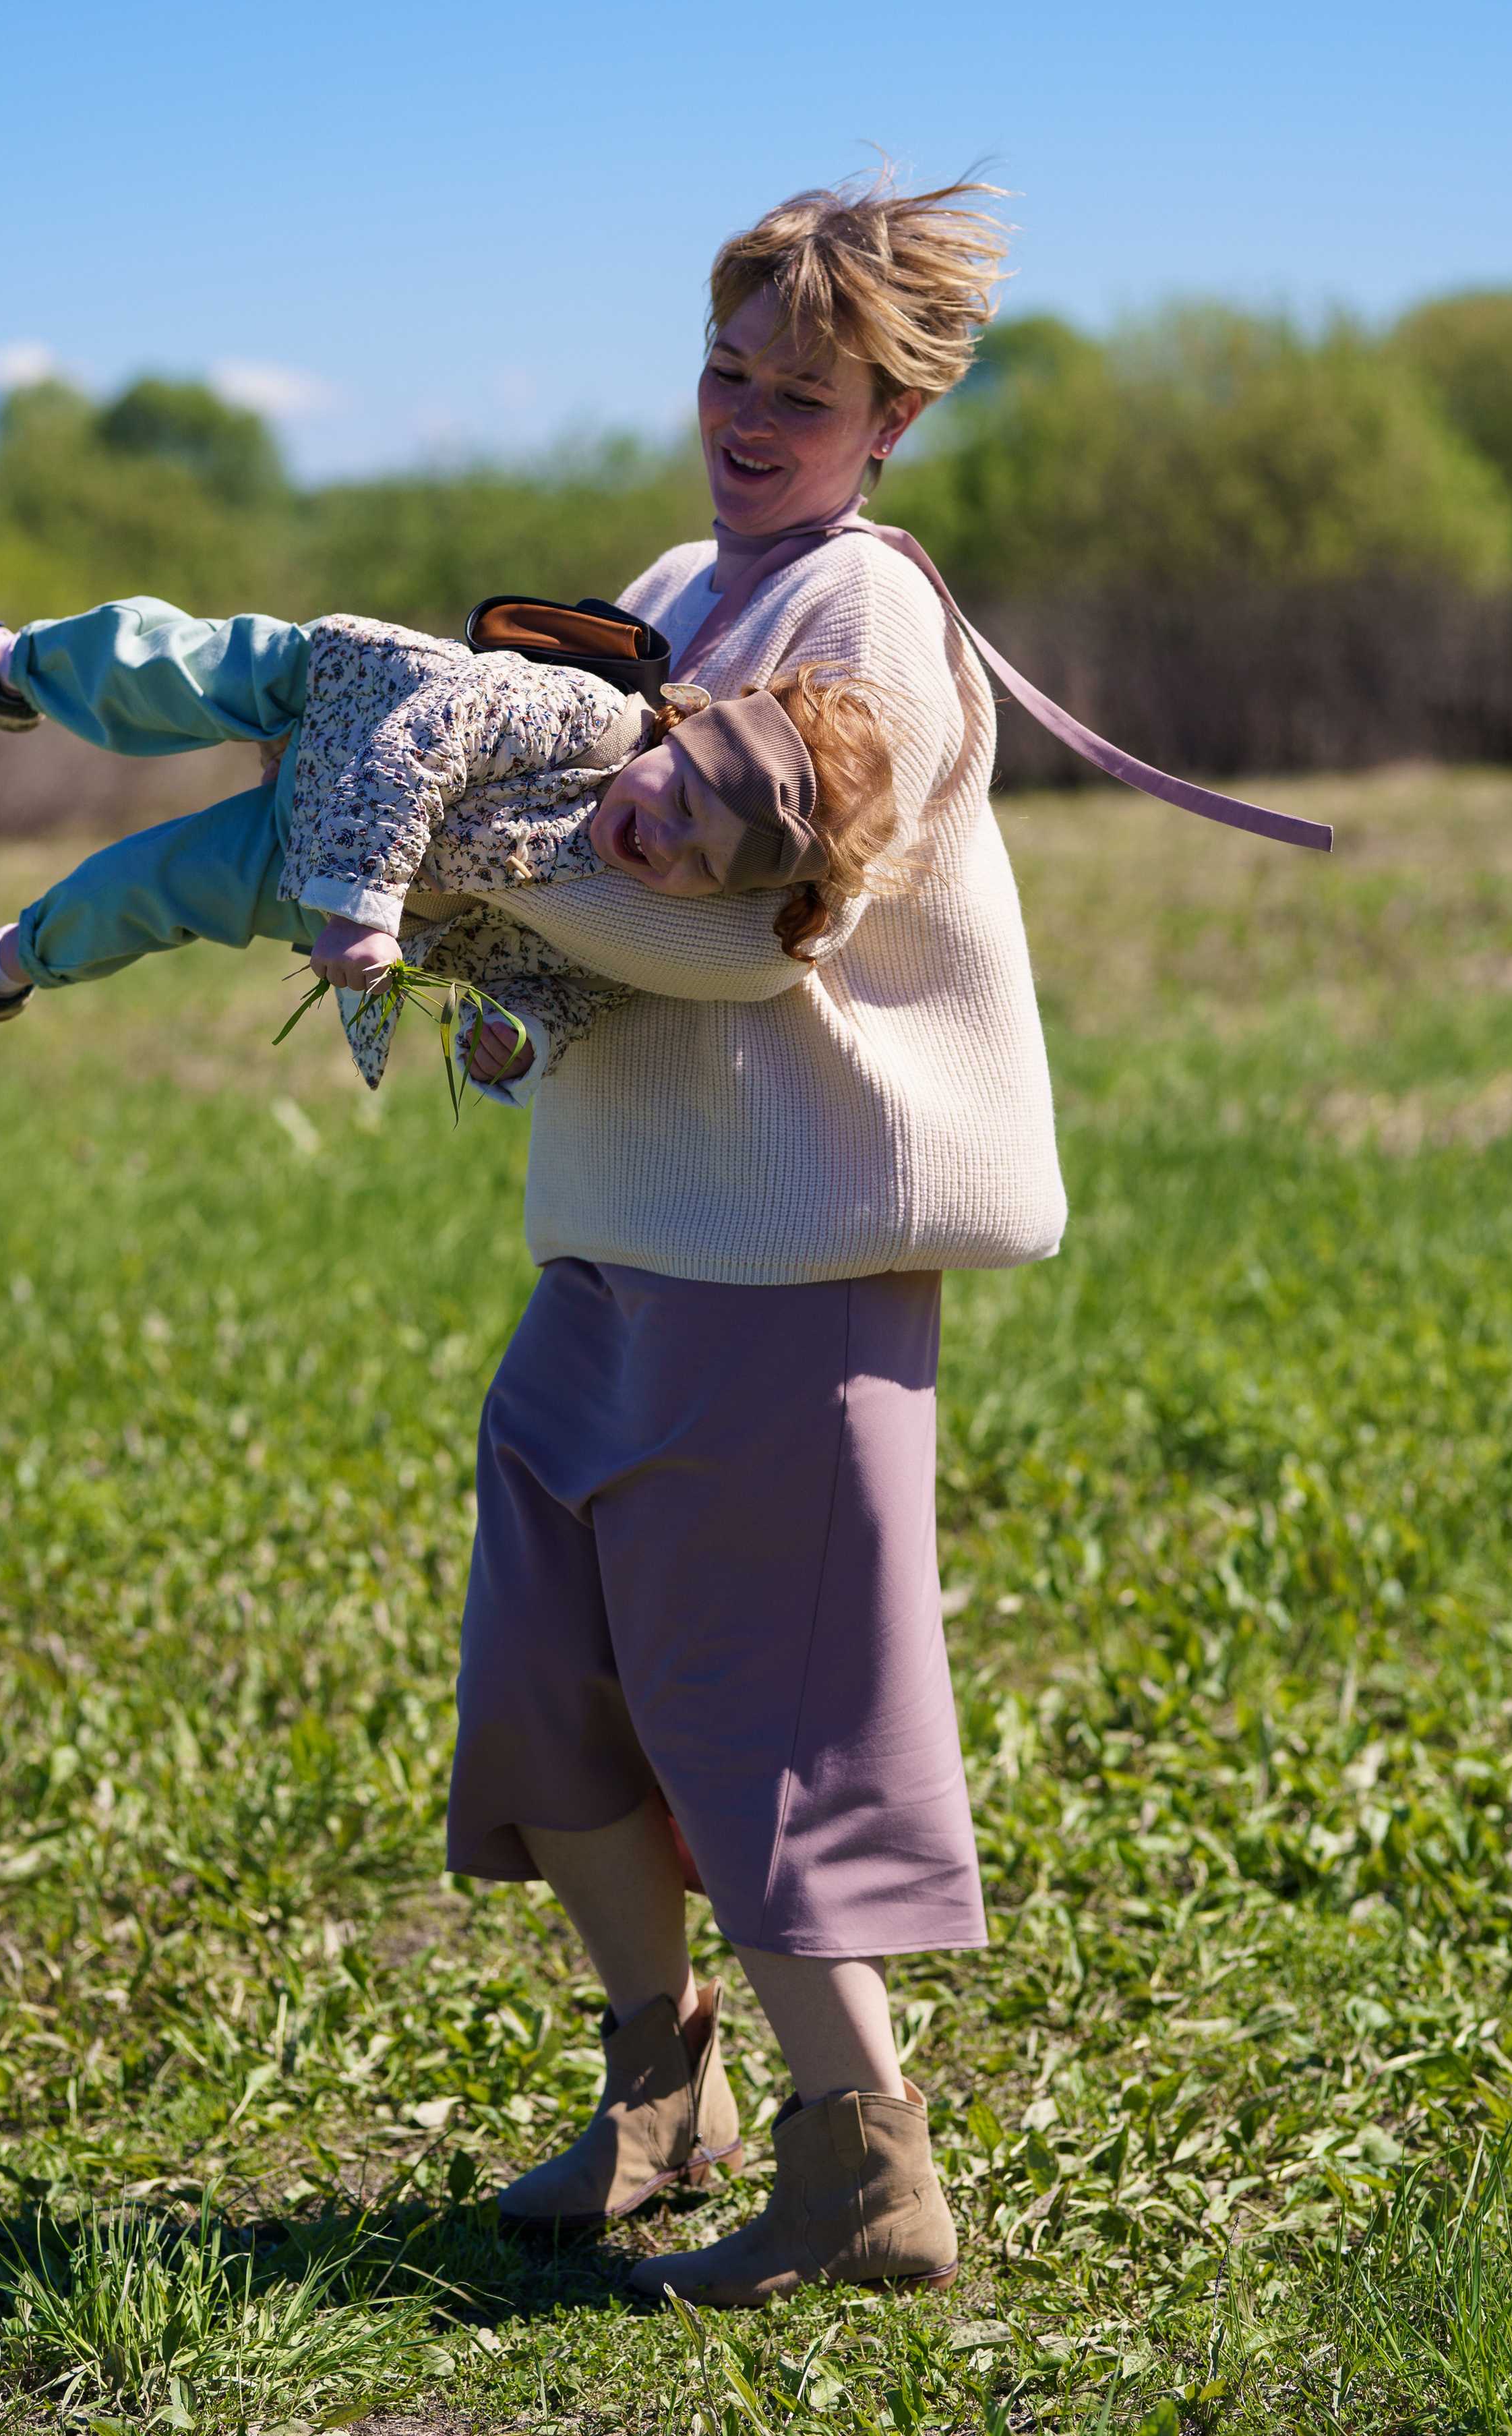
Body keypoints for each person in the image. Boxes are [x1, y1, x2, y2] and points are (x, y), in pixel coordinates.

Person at [444, 175, 1068, 2307]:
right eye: (727, 368)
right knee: (554, 1678)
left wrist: (490, 880)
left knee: (756, 1713)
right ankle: (664, 2080)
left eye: (800, 390)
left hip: (783, 1260)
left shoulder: (862, 616)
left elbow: (749, 947)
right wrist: (491, 965)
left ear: (888, 420)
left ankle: (867, 2176)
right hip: (620, 1235)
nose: (746, 413)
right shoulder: (670, 583)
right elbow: (598, 900)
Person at [0, 601, 897, 1094]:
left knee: (147, 891)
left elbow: (575, 983)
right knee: (167, 661)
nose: (662, 839)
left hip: (295, 865)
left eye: (699, 860)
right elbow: (431, 734)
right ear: (679, 731)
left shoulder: (628, 910)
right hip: (335, 699)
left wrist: (523, 1041)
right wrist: (365, 904)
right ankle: (12, 665)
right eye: (682, 797)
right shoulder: (585, 718)